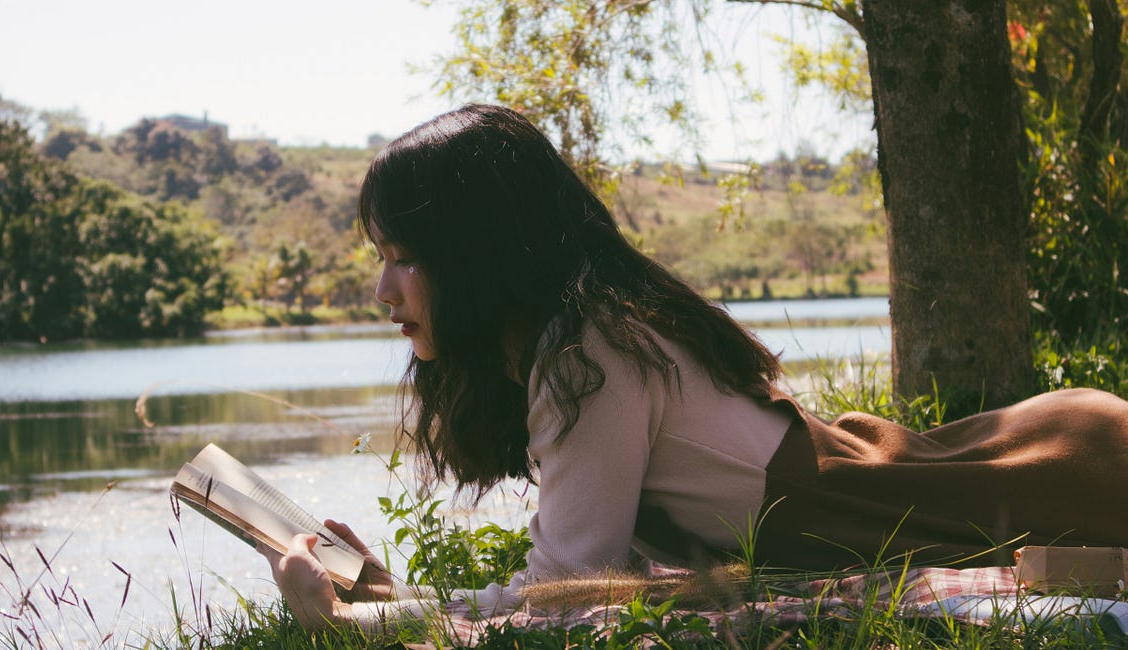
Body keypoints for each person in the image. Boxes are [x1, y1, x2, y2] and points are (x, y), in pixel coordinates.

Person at [260, 104, 1128, 631]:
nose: (383, 290)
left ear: (479, 255)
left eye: (405, 257)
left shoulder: (587, 352)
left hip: (1062, 476)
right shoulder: (584, 337)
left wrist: (360, 620)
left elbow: (566, 592)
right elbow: (587, 580)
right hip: (1008, 467)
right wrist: (385, 595)